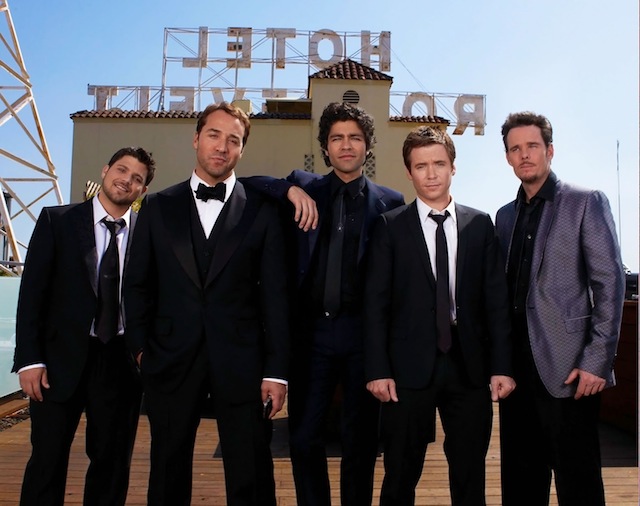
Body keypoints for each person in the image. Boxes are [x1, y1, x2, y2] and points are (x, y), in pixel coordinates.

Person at [123, 102, 290, 506]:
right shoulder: (157, 206)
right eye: (214, 135)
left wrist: (276, 371)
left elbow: (276, 296)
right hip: (169, 359)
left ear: (241, 150)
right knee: (167, 469)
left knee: (251, 469)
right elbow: (137, 285)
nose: (222, 146)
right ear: (196, 138)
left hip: (243, 362)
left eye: (233, 140)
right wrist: (142, 350)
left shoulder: (264, 211)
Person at [245, 102, 404, 506]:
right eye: (337, 138)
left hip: (361, 336)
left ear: (367, 146)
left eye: (354, 138)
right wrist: (288, 189)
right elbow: (247, 183)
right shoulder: (304, 186)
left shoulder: (391, 202)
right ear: (325, 147)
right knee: (303, 437)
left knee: (361, 442)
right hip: (311, 334)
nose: (346, 145)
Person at [364, 126, 515, 506]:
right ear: (409, 172)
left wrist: (502, 366)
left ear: (453, 167)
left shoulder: (480, 225)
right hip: (406, 371)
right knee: (400, 474)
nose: (431, 174)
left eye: (439, 164)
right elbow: (376, 305)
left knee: (470, 475)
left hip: (469, 368)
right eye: (421, 166)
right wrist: (378, 369)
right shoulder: (390, 226)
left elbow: (496, 303)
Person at [13, 146, 156, 506]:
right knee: (46, 460)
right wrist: (29, 359)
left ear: (143, 190)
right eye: (121, 170)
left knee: (112, 464)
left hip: (120, 362)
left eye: (136, 178)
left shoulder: (148, 234)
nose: (126, 180)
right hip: (57, 361)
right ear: (105, 170)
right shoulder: (57, 221)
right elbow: (32, 295)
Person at [495, 112, 625, 506]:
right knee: (521, 485)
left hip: (570, 369)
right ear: (508, 157)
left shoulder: (585, 202)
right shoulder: (504, 216)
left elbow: (609, 283)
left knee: (578, 485)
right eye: (515, 148)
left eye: (532, 146)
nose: (524, 155)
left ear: (549, 151)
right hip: (516, 374)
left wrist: (597, 361)